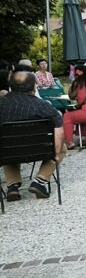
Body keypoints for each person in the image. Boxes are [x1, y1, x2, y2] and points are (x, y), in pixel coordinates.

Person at [0, 70, 66, 200]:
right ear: (34, 87)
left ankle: (12, 186)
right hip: (40, 150)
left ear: (10, 86)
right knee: (62, 148)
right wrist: (55, 152)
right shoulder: (44, 106)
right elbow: (59, 135)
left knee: (6, 145)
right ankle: (40, 181)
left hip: (7, 152)